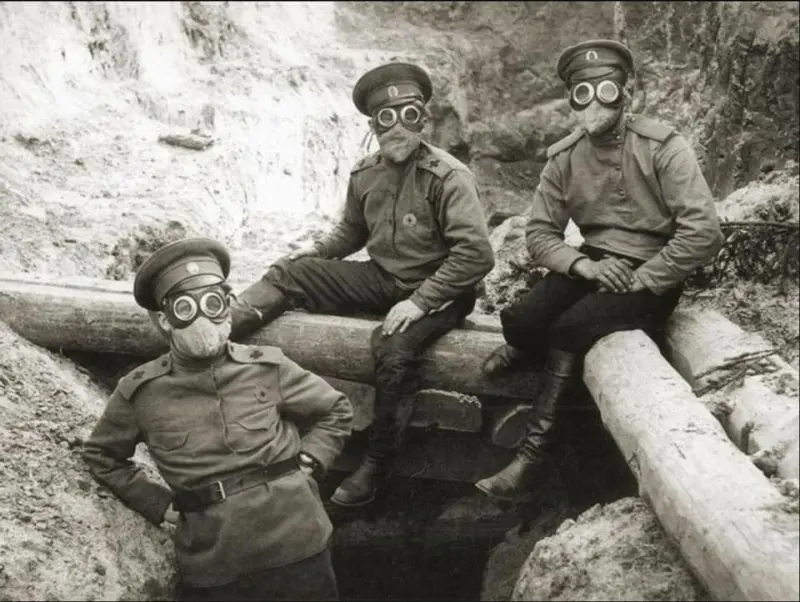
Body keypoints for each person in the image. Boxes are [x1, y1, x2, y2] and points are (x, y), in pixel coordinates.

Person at [228, 61, 495, 508]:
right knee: (291, 271)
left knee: (392, 351)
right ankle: (224, 331)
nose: (397, 128)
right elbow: (351, 234)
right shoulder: (365, 173)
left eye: (408, 115)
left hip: (441, 288)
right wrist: (316, 250)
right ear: (374, 126)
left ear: (422, 120)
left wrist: (421, 302)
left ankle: (376, 463)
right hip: (383, 278)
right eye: (385, 119)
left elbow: (477, 255)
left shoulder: (448, 176)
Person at [474, 39, 724, 502]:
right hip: (594, 259)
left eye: (606, 89)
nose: (594, 102)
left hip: (653, 270)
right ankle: (532, 349)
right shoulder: (564, 157)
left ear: (626, 92)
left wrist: (645, 277)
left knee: (572, 328)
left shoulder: (663, 147)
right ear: (571, 100)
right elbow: (540, 235)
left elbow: (703, 233)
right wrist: (585, 267)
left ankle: (531, 457)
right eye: (581, 92)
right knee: (520, 320)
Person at [81, 237, 353, 601]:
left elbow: (336, 409)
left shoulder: (267, 366)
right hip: (216, 562)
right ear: (165, 320)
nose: (204, 318)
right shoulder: (141, 392)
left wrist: (313, 456)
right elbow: (102, 455)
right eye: (185, 308)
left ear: (227, 306)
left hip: (298, 541)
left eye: (214, 303)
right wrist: (158, 504)